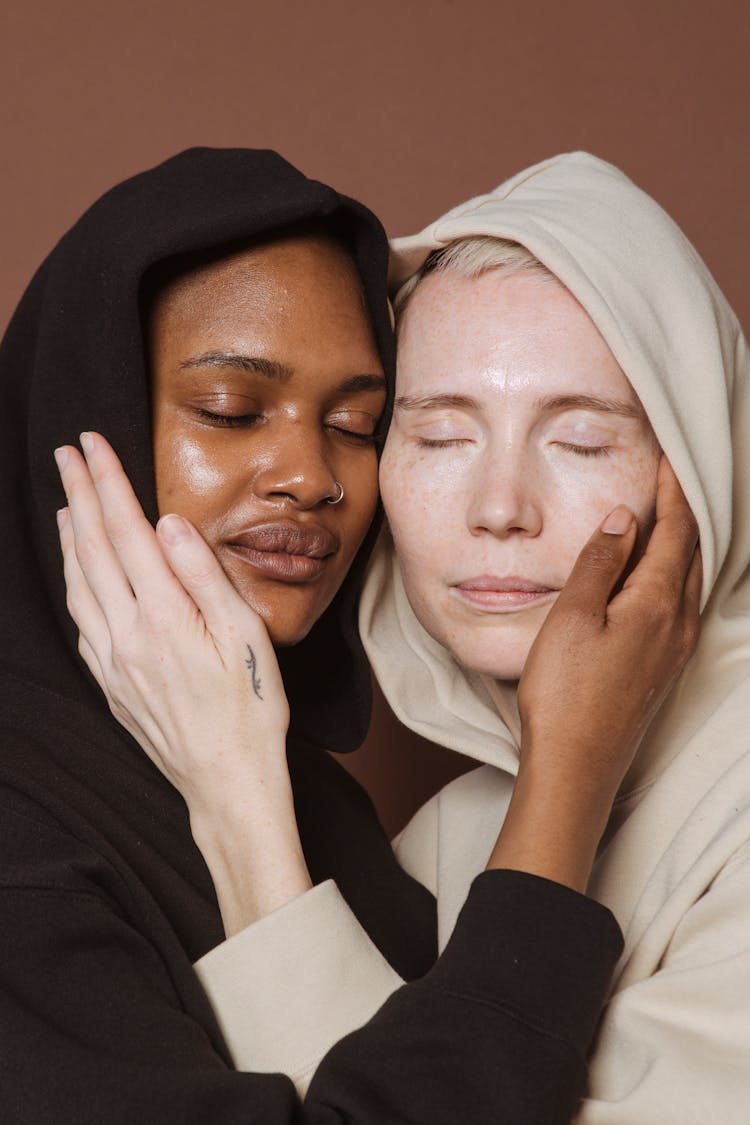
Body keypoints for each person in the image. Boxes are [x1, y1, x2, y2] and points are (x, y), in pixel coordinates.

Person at [46, 149, 699, 1124]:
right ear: (81, 407)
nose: (311, 475)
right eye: (231, 410)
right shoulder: (29, 857)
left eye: (359, 422)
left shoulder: (340, 822)